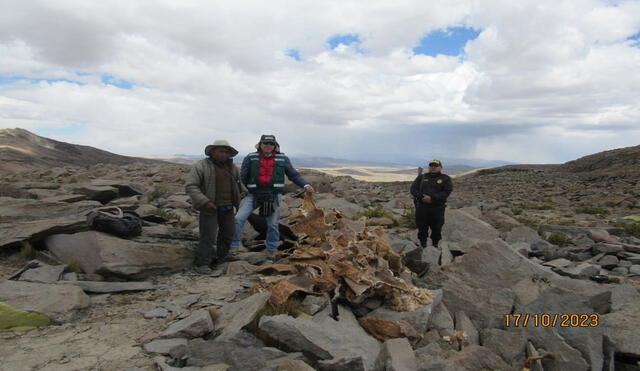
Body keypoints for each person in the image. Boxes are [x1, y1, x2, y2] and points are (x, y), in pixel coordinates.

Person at [231, 134, 314, 259]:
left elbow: (293, 175)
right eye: (265, 143)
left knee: (273, 224)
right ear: (260, 145)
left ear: (275, 146)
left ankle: (271, 249)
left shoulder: (283, 159)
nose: (267, 146)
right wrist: (245, 190)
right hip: (254, 195)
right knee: (238, 218)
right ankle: (234, 246)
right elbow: (243, 176)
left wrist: (305, 184)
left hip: (273, 196)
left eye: (271, 144)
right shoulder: (250, 157)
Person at [185, 140, 247, 274]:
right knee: (208, 236)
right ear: (212, 152)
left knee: (228, 233)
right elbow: (191, 185)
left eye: (226, 152)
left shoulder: (232, 167)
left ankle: (222, 257)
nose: (224, 154)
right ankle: (203, 263)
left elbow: (238, 182)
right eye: (221, 151)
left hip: (228, 207)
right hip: (209, 207)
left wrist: (242, 191)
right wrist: (204, 201)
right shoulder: (201, 166)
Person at [410, 159, 453, 249]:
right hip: (422, 207)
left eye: (435, 166)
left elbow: (446, 192)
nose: (433, 167)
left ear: (441, 167)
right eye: (431, 166)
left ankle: (435, 245)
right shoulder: (421, 177)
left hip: (437, 208)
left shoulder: (445, 178)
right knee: (422, 227)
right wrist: (422, 197)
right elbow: (413, 189)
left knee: (437, 228)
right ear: (429, 167)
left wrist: (432, 198)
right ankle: (423, 245)